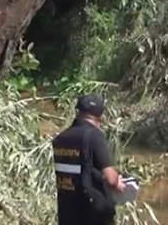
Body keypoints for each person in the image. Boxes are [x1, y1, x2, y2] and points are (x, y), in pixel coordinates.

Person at [52, 94, 127, 225]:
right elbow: (110, 178)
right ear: (100, 117)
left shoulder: (60, 138)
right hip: (91, 213)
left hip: (66, 212)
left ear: (78, 111)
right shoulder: (94, 136)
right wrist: (118, 183)